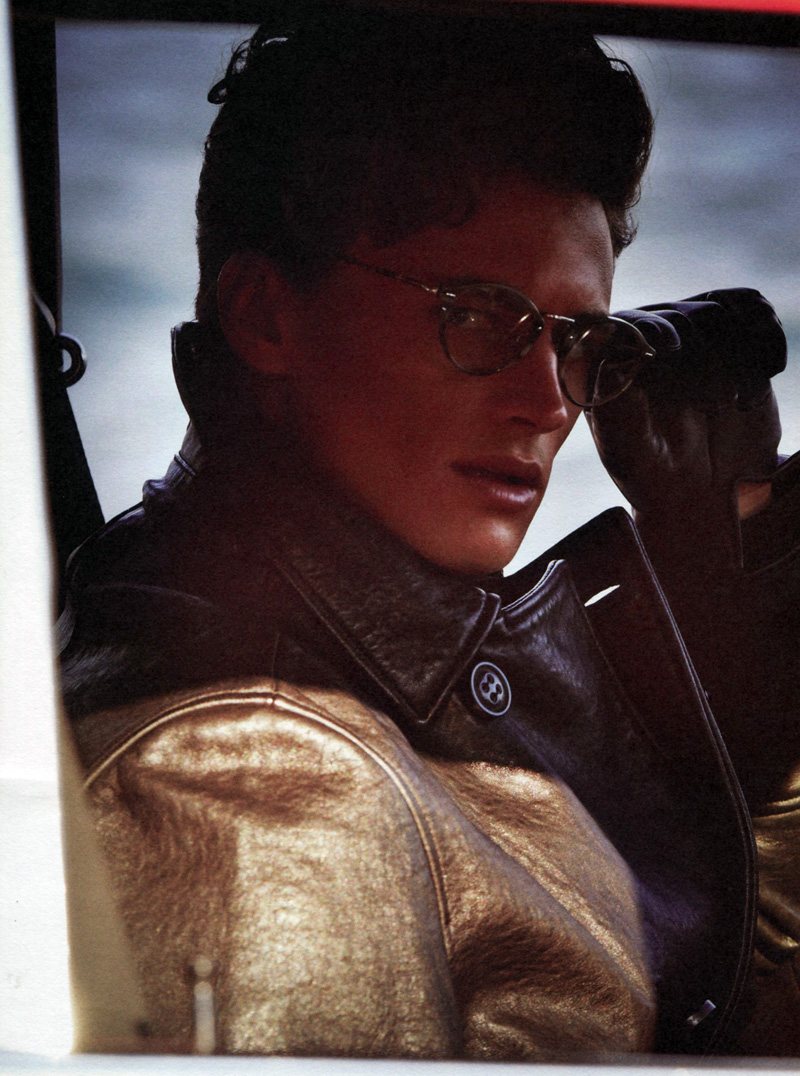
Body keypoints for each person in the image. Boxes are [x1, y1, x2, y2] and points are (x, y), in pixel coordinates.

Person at [58, 0, 800, 1060]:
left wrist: (724, 602)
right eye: (482, 316)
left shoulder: (353, 646)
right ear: (266, 314)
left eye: (579, 341)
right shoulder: (254, 772)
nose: (546, 403)